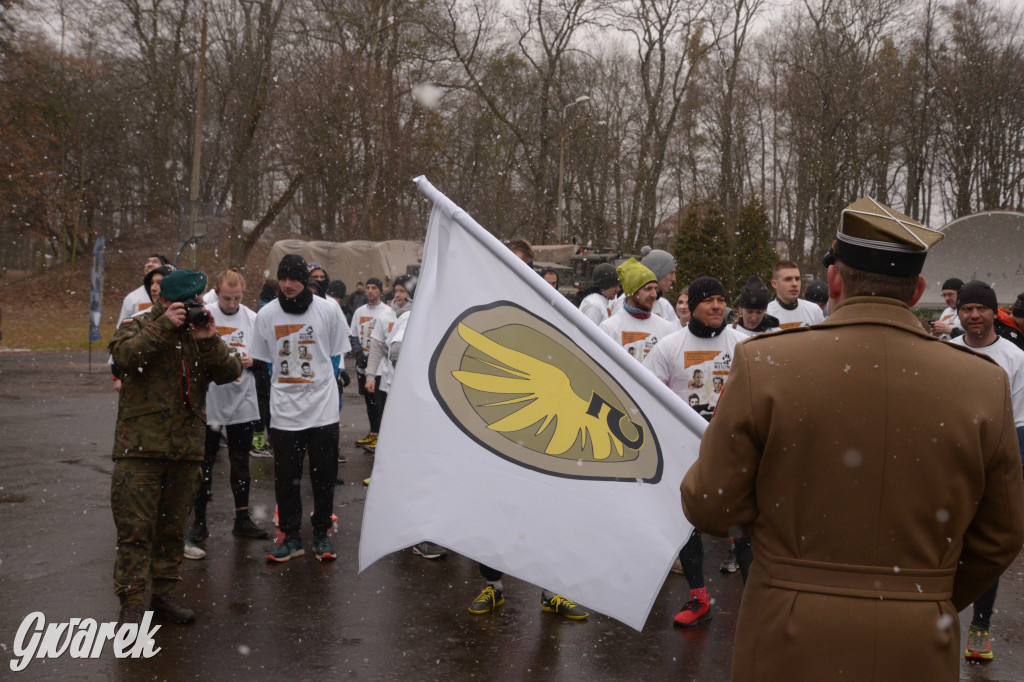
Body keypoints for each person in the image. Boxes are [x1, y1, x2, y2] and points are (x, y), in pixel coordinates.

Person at [681, 197, 1024, 681]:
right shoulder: (982, 381)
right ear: (918, 289)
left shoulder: (767, 364)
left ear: (836, 280)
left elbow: (712, 507)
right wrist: (925, 593)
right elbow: (1002, 532)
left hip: (787, 634)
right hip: (918, 639)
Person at [108, 269, 242, 625]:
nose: (193, 306)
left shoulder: (197, 333)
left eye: (197, 300)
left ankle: (163, 596)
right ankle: (132, 604)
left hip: (185, 450)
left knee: (171, 530)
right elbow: (124, 359)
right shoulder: (137, 325)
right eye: (186, 301)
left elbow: (230, 371)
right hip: (139, 450)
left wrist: (210, 337)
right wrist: (164, 325)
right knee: (135, 531)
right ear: (163, 300)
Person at [644, 276, 744, 627]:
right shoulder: (669, 347)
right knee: (687, 527)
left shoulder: (744, 346)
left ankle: (752, 608)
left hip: (734, 453)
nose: (716, 306)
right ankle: (699, 597)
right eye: (708, 301)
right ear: (694, 306)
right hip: (686, 453)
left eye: (721, 299)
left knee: (742, 527)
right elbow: (648, 398)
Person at [252, 254, 350, 563]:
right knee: (286, 478)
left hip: (322, 409)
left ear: (304, 281)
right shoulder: (266, 315)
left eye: (294, 279)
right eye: (283, 279)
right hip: (285, 410)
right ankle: (291, 537)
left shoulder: (328, 310)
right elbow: (265, 362)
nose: (288, 285)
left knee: (323, 476)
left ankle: (321, 533)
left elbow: (335, 354)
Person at [949, 280, 1024, 661]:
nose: (974, 315)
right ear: (958, 313)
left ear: (995, 312)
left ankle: (979, 628)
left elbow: (1020, 426)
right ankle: (936, 619)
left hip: (993, 466)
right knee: (942, 542)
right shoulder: (945, 352)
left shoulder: (1014, 357)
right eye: (967, 308)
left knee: (986, 546)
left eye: (981, 308)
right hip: (948, 465)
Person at [184, 270, 269, 560]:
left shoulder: (252, 318)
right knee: (203, 464)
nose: (232, 304)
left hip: (242, 399)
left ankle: (242, 518)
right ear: (216, 293)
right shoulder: (204, 315)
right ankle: (200, 522)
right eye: (227, 298)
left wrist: (253, 360)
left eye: (237, 298)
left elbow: (264, 357)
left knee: (240, 462)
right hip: (210, 399)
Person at [599, 259, 677, 363]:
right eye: (648, 289)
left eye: (655, 288)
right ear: (632, 292)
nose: (654, 294)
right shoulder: (609, 328)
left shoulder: (667, 328)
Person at [349, 278, 387, 450]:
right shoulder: (359, 311)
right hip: (363, 366)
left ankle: (382, 435)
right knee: (369, 401)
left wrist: (373, 356)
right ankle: (373, 433)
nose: (370, 291)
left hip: (379, 367)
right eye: (368, 288)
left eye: (373, 288)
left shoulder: (386, 312)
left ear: (380, 291)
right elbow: (354, 335)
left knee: (379, 402)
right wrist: (359, 354)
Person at [766, 259, 824, 328]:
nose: (795, 284)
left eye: (797, 279)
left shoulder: (814, 311)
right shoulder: (767, 315)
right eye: (788, 279)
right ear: (774, 284)